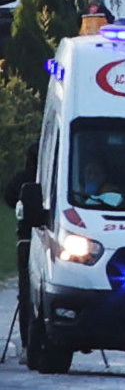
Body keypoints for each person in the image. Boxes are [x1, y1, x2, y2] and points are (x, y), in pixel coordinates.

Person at [4, 143, 38, 355]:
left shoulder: (22, 179)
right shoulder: (50, 175)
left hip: (25, 238)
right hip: (41, 236)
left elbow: (8, 197)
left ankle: (27, 344)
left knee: (26, 291)